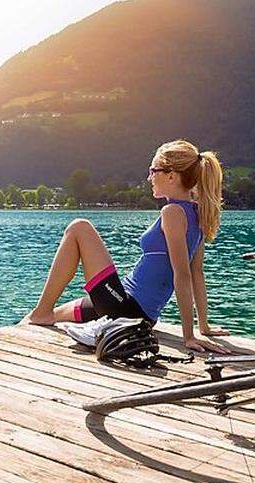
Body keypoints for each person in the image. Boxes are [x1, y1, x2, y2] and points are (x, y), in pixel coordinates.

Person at [19, 140, 230, 354]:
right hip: (130, 306)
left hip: (126, 308)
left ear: (171, 176)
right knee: (55, 315)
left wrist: (189, 337)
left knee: (79, 228)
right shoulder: (197, 214)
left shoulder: (172, 213)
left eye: (153, 170)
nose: (149, 178)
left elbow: (183, 275)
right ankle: (41, 315)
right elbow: (197, 273)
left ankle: (41, 312)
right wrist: (204, 326)